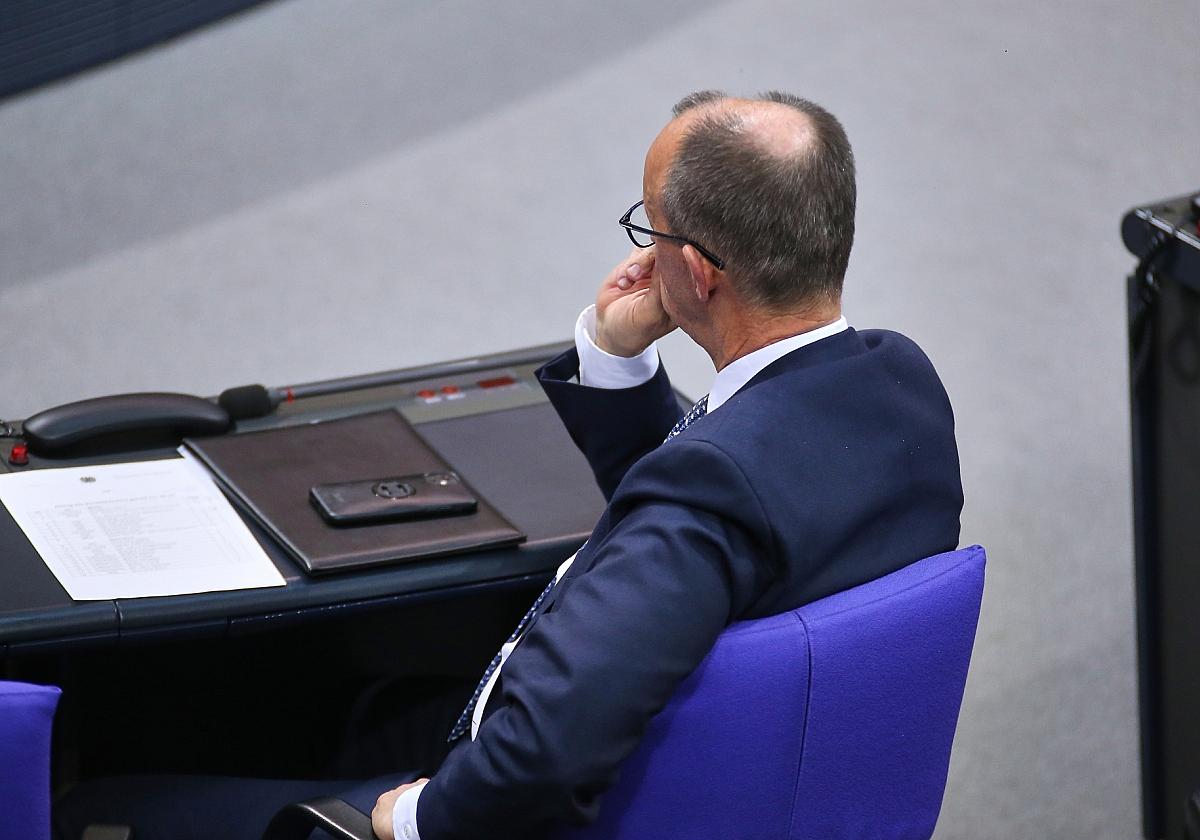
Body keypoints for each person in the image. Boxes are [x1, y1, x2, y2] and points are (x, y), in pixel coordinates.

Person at [55, 90, 963, 840]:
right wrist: (614, 360)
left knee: (98, 809)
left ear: (697, 271)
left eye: (649, 228)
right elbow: (735, 493)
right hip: (726, 760)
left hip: (514, 788)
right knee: (343, 709)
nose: (642, 249)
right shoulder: (897, 384)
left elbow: (543, 760)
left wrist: (415, 821)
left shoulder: (707, 498)